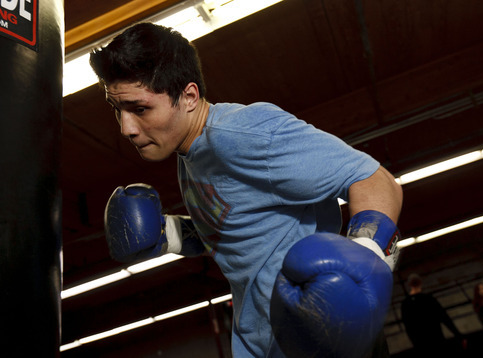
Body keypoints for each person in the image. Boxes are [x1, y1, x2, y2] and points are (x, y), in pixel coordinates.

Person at [89, 22, 403, 358]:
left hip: (320, 336)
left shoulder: (244, 134)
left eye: (140, 109)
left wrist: (365, 262)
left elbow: (374, 179)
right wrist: (168, 234)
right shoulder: (190, 151)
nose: (126, 129)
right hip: (262, 343)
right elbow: (232, 228)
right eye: (116, 109)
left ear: (189, 97)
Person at [401, 273, 466, 357]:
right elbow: (445, 318)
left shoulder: (406, 304)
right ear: (420, 283)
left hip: (421, 343)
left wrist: (415, 344)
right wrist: (459, 336)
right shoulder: (429, 299)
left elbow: (408, 327)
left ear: (409, 285)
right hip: (437, 340)